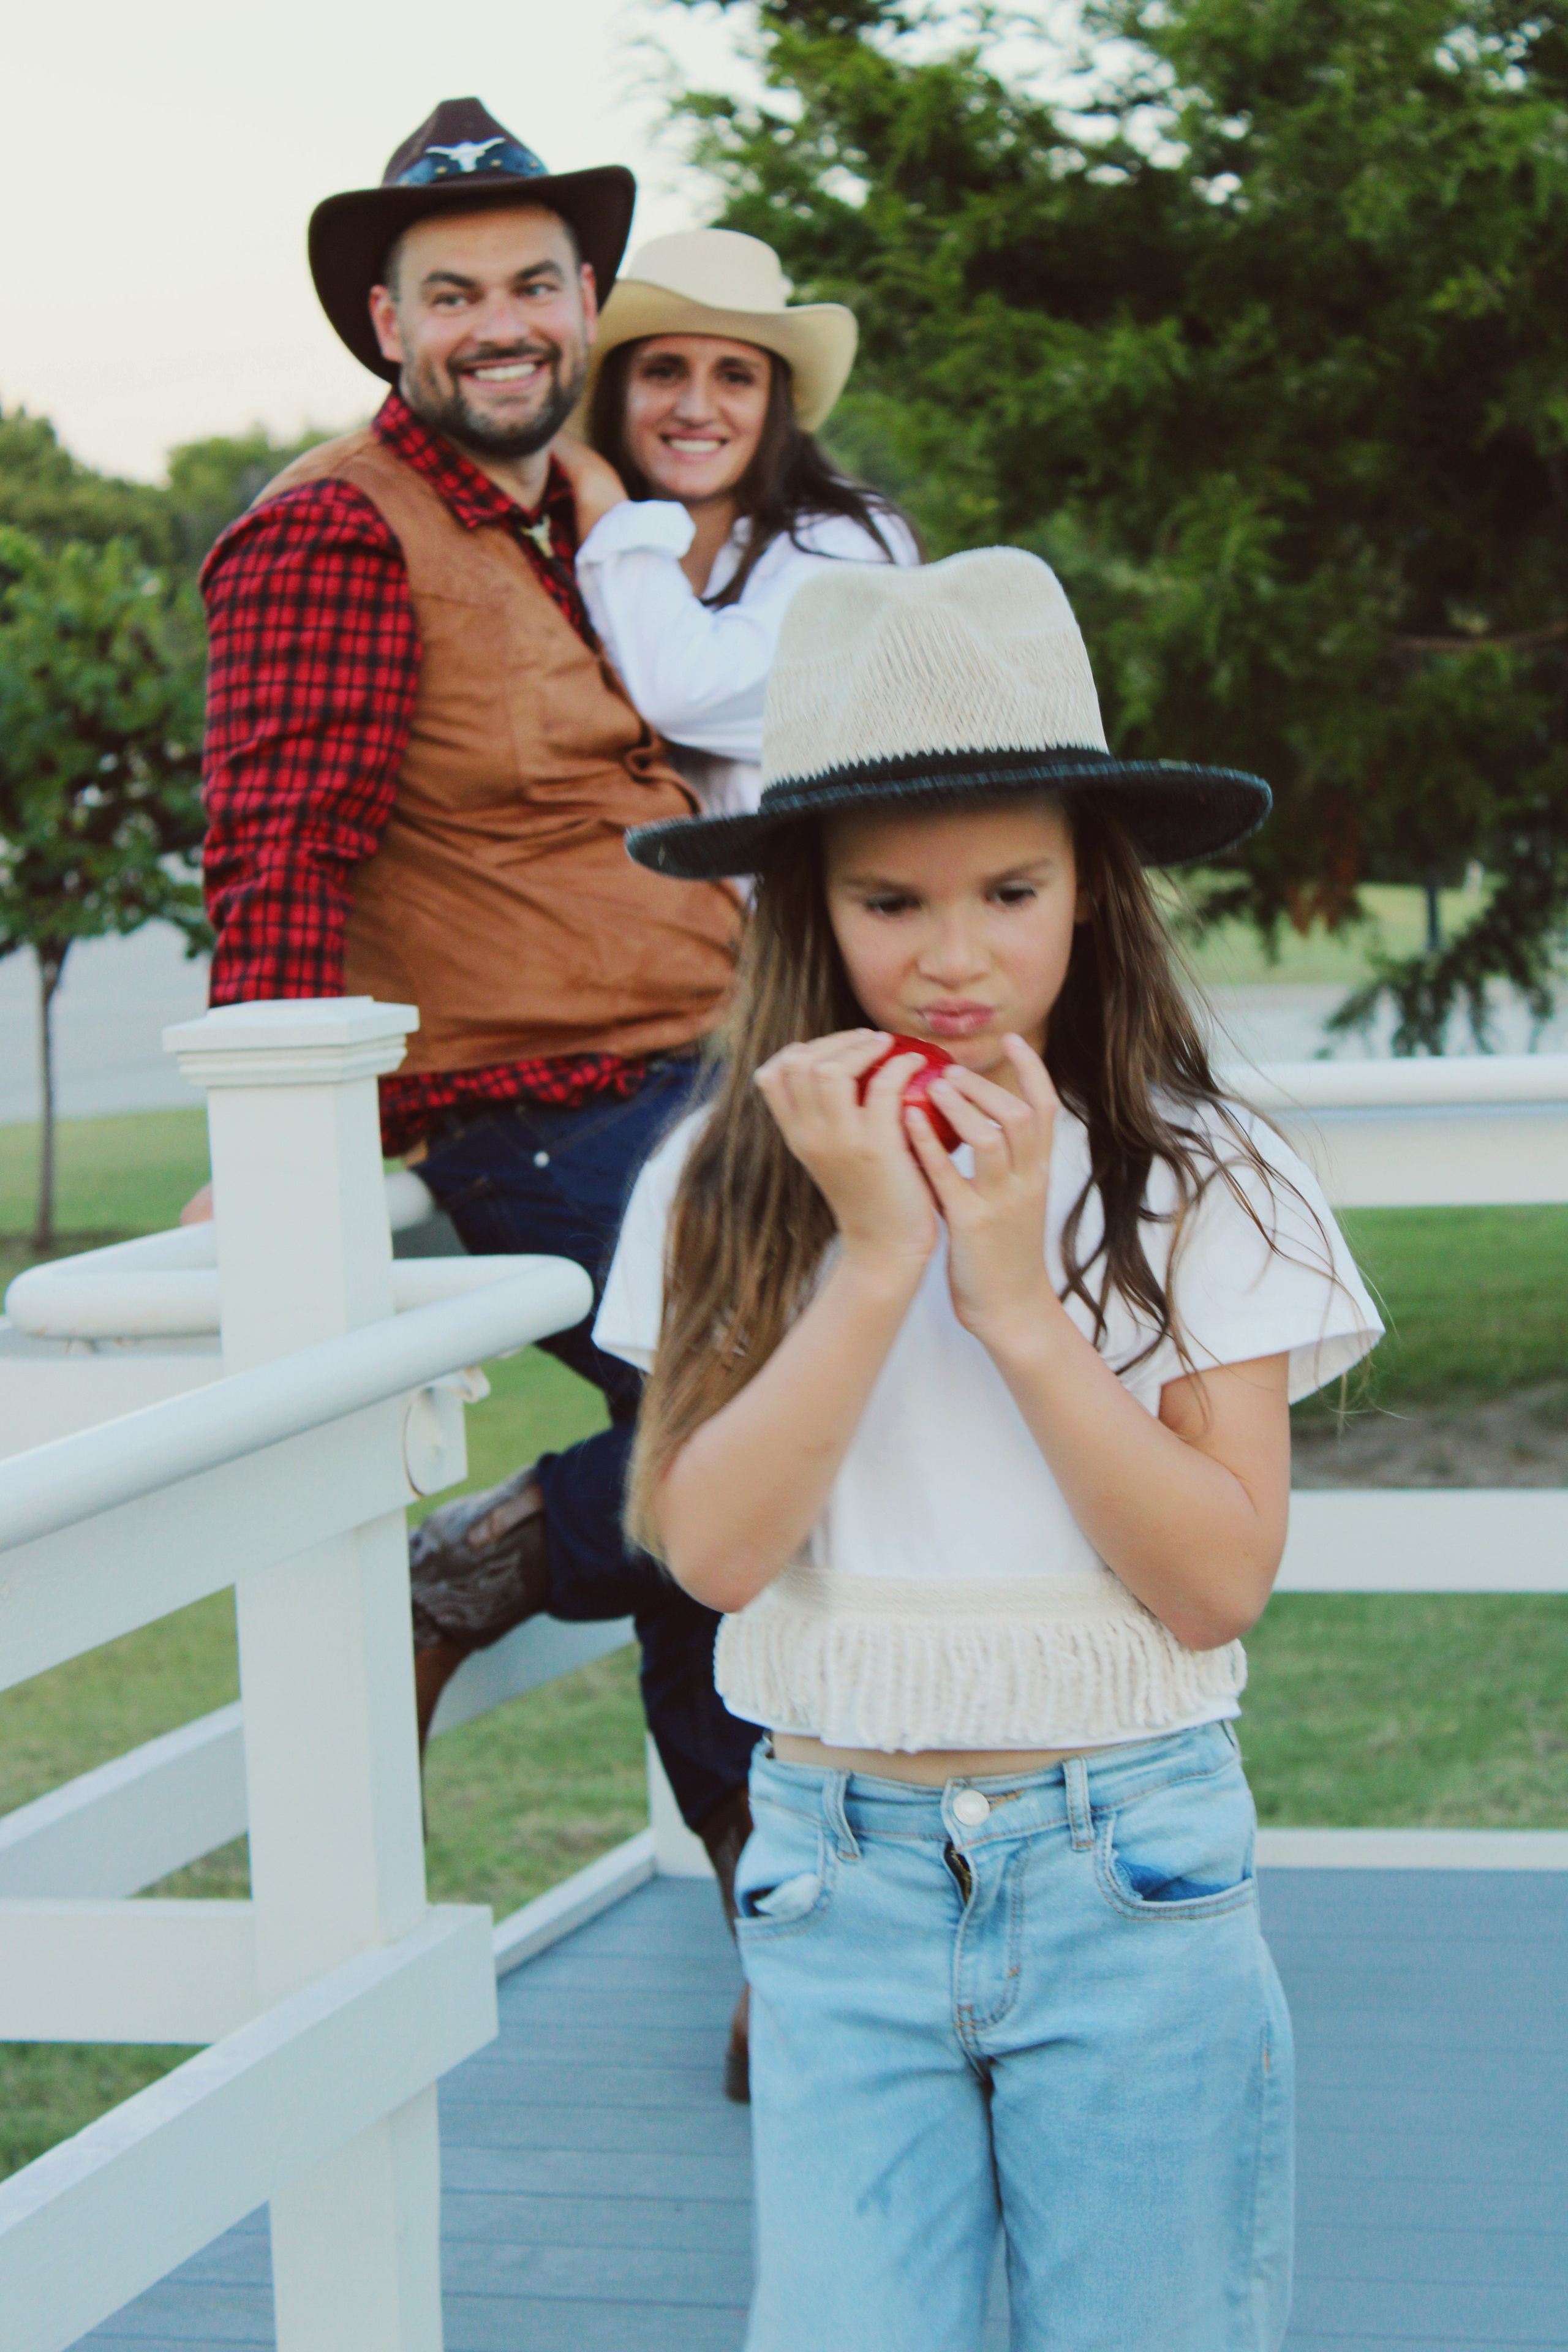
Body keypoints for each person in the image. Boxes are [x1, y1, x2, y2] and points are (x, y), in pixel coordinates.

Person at [595, 548, 1383, 2349]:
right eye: (888, 901)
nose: (951, 956)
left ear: (1091, 886)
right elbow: (714, 1551)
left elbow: (1213, 1578)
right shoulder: (725, 1174)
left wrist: (1017, 1302)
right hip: (834, 1869)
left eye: (1008, 891)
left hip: (1129, 1865)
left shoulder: (1202, 1170)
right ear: (810, 906)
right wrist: (876, 1255)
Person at [195, 98, 758, 2085]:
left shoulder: (584, 507)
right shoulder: (334, 529)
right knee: (745, 1424)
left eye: (534, 283)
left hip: (707, 1066)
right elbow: (279, 850)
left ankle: (771, 1918)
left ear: (585, 298)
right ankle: (503, 1594)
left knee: (771, 1442)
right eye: (454, 295)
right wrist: (265, 1137)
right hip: (540, 1105)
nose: (501, 323)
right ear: (388, 321)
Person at [552, 226, 919, 819]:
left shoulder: (852, 545)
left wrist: (605, 499)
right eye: (664, 371)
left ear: (774, 403)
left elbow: (681, 692)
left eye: (735, 376)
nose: (696, 409)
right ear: (617, 393)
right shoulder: (565, 545)